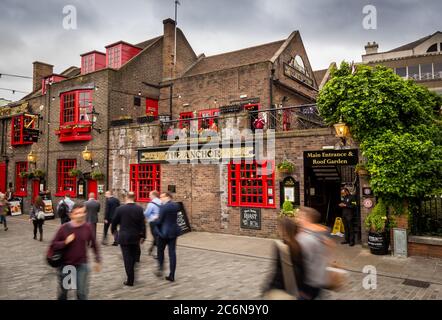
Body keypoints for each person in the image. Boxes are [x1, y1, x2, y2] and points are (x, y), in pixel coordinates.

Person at [49, 202, 101, 300]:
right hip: (67, 265)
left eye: (82, 212)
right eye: (77, 213)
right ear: (72, 214)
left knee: (82, 293)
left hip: (82, 265)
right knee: (64, 293)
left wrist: (97, 260)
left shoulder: (88, 227)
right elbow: (53, 245)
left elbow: (94, 244)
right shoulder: (64, 228)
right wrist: (65, 242)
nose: (80, 215)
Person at [295, 207, 334, 300]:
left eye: (300, 217)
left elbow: (299, 262)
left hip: (307, 283)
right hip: (319, 280)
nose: (297, 219)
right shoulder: (322, 233)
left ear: (307, 219)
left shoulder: (305, 238)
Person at [263, 217, 305, 299]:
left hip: (280, 288)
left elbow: (277, 271)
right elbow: (302, 269)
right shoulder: (298, 245)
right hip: (294, 290)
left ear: (284, 230)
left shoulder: (280, 246)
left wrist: (268, 287)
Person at [111, 192, 146, 286]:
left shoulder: (120, 209)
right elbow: (143, 224)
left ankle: (130, 280)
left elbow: (114, 222)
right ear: (134, 197)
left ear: (126, 197)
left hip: (124, 237)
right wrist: (143, 236)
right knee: (134, 256)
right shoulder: (139, 209)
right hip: (136, 236)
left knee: (127, 258)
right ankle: (133, 268)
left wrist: (114, 232)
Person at [155, 192, 181, 282]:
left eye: (162, 197)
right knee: (172, 253)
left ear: (168, 197)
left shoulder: (163, 207)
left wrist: (156, 219)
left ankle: (161, 267)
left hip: (164, 233)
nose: (160, 199)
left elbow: (159, 221)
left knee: (160, 250)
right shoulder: (176, 206)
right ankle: (172, 275)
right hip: (174, 232)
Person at [144, 190, 162, 257]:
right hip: (160, 221)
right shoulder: (161, 202)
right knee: (157, 236)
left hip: (153, 222)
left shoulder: (151, 204)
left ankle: (158, 253)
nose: (149, 196)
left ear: (153, 195)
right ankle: (151, 249)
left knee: (156, 236)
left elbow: (146, 213)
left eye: (150, 195)